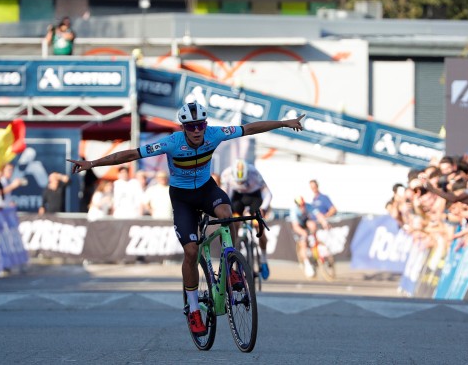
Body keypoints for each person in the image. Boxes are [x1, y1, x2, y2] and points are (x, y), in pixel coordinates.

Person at [67, 102, 304, 337]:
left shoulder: (215, 134)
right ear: (183, 128)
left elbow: (250, 128)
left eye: (200, 125)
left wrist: (283, 123)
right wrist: (93, 164)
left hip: (206, 189)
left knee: (227, 215)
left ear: (206, 124)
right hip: (182, 198)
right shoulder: (171, 143)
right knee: (191, 251)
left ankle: (231, 266)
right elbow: (130, 154)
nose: (197, 130)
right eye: (191, 127)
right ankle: (193, 309)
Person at [219, 159, 273, 280]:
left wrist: (263, 208)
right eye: (239, 181)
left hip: (254, 197)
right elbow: (224, 195)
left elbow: (268, 194)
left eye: (243, 181)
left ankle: (263, 260)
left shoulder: (254, 173)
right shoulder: (226, 174)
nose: (241, 183)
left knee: (259, 226)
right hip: (237, 197)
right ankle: (235, 248)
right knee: (234, 222)